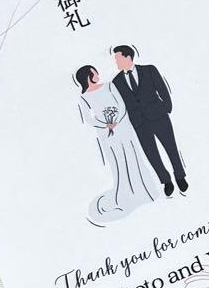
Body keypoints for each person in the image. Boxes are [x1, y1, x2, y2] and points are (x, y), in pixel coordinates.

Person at [74, 64, 156, 224]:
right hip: (106, 133)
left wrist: (116, 121)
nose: (98, 75)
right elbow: (89, 118)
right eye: (94, 73)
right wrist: (106, 124)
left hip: (123, 126)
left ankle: (143, 191)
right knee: (117, 161)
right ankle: (126, 196)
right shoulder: (84, 98)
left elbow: (121, 105)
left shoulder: (110, 86)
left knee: (132, 156)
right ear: (88, 76)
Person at [110, 44, 188, 198]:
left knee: (171, 147)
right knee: (151, 154)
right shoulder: (116, 81)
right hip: (139, 123)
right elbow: (121, 104)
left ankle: (180, 175)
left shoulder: (149, 70)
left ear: (127, 57)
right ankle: (166, 180)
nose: (116, 62)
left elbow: (162, 88)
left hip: (159, 116)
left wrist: (166, 108)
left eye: (118, 58)